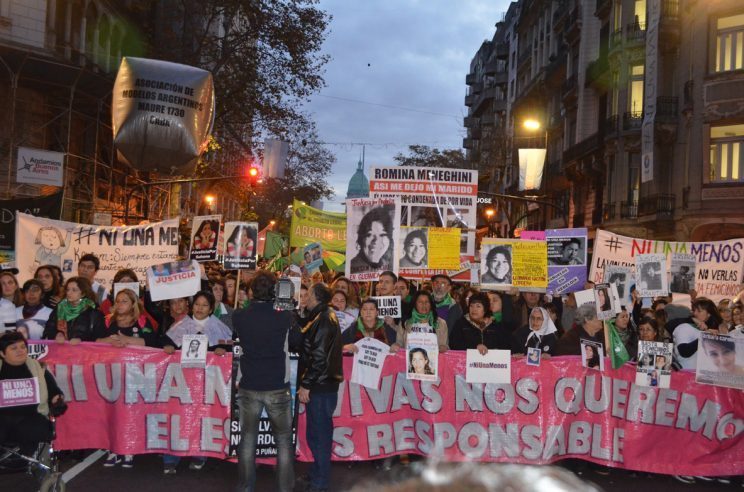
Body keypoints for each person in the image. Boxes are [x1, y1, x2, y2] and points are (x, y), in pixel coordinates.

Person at [233, 271, 297, 492]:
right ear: (275, 291)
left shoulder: (239, 316)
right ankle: (285, 488)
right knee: (284, 440)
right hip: (276, 384)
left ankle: (245, 487)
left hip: (249, 384)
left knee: (247, 439)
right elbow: (297, 339)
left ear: (251, 291)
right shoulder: (284, 316)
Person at [297, 283, 343, 492]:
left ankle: (320, 482)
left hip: (321, 387)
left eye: (308, 294)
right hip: (322, 385)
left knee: (320, 436)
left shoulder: (324, 319)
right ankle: (317, 473)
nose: (305, 297)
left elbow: (319, 357)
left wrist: (306, 384)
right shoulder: (321, 316)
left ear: (316, 297)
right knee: (315, 434)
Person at [0, 331, 66, 460]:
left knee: (34, 430)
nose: (20, 351)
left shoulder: (39, 368)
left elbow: (54, 391)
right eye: (14, 348)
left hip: (32, 417)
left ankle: (28, 461)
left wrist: (57, 399)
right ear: (2, 353)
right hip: (2, 418)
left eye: (23, 347)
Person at [43, 277, 105, 343]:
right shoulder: (60, 308)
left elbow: (99, 339)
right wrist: (57, 334)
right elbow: (48, 329)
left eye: (74, 290)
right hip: (60, 348)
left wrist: (81, 340)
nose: (69, 293)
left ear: (83, 294)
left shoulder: (94, 313)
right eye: (67, 290)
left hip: (83, 349)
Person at [673, 298, 723, 370]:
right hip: (687, 373)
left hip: (707, 374)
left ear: (709, 314)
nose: (695, 313)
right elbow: (684, 352)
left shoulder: (714, 331)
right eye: (694, 310)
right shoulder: (684, 327)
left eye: (699, 311)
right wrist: (704, 336)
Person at [349, 207, 394, 274]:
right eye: (369, 234)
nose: (376, 240)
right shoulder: (351, 269)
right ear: (361, 239)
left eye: (382, 235)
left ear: (389, 240)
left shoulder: (388, 266)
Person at [431, 274, 463, 340]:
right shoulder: (423, 302)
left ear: (449, 288)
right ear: (432, 285)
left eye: (443, 284)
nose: (439, 286)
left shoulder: (454, 307)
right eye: (436, 282)